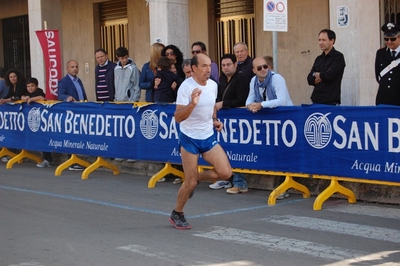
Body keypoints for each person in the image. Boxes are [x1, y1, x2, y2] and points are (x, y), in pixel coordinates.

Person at [169, 54, 232, 230]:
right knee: (190, 183)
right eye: (203, 66)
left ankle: (194, 179)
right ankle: (177, 213)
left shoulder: (212, 85)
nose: (208, 70)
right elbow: (178, 117)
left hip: (208, 136)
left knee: (225, 173)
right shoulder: (186, 87)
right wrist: (192, 104)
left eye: (209, 66)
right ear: (194, 69)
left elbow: (211, 106)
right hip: (189, 138)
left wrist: (214, 120)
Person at [208, 53, 250, 192]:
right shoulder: (222, 79)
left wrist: (223, 104)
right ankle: (226, 178)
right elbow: (218, 98)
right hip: (224, 121)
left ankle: (239, 182)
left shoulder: (241, 78)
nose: (226, 68)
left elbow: (241, 100)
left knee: (238, 150)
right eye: (223, 65)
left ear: (235, 65)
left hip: (239, 120)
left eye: (228, 65)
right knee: (226, 150)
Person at [58, 60, 87, 170]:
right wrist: (67, 97)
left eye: (76, 66)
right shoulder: (64, 81)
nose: (75, 69)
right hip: (71, 114)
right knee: (72, 136)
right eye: (72, 67)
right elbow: (60, 94)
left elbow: (83, 95)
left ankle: (77, 158)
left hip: (81, 111)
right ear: (67, 69)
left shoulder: (78, 80)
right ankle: (72, 161)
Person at [307, 29, 346, 105]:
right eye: (319, 40)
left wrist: (318, 75)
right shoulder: (318, 59)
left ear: (332, 41)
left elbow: (329, 76)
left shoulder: (338, 57)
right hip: (316, 100)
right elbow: (309, 79)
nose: (321, 43)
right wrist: (320, 75)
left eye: (324, 40)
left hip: (331, 101)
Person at [21, 77, 53, 168]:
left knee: (44, 139)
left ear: (36, 86)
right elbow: (22, 97)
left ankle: (48, 159)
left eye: (32, 86)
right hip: (33, 122)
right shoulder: (27, 93)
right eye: (28, 86)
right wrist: (24, 97)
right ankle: (45, 159)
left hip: (43, 121)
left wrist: (31, 99)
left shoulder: (39, 92)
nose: (30, 88)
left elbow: (41, 98)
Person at [375, 22, 400, 106]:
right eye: (386, 39)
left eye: (392, 39)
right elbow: (378, 75)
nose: (389, 42)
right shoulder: (380, 53)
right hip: (383, 99)